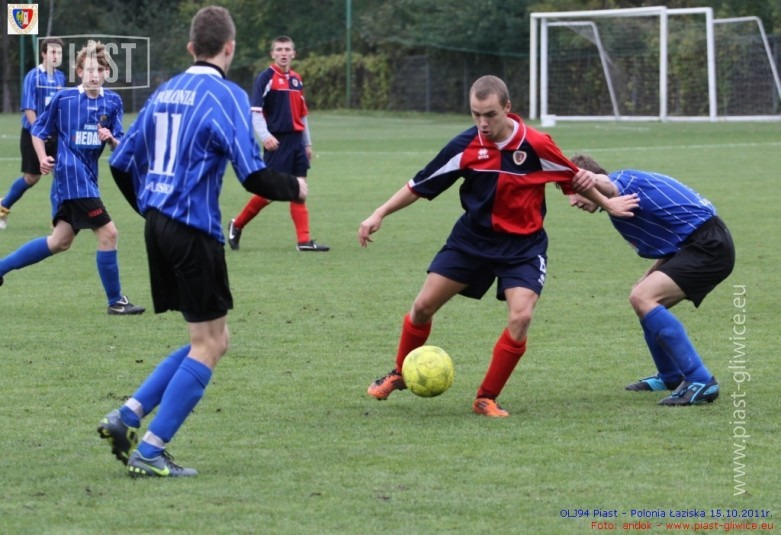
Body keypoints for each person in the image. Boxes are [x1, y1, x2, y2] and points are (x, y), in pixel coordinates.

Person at [98, 5, 307, 477]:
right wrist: (294, 186)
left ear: (192, 47)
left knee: (211, 339)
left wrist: (149, 209)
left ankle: (127, 416)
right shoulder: (227, 95)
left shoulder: (165, 90)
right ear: (230, 47)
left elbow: (121, 162)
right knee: (209, 344)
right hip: (192, 230)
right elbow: (251, 173)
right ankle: (150, 451)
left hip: (159, 226)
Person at [358, 75, 636, 417]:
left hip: (523, 247)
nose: (483, 123)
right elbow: (420, 184)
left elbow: (573, 177)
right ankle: (401, 372)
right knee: (422, 307)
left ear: (507, 108)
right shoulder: (465, 146)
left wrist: (607, 204)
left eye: (490, 114)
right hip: (472, 241)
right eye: (476, 114)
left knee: (521, 316)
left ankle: (485, 398)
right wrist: (380, 212)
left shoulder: (535, 144)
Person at [568, 154, 735, 406]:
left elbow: (607, 184)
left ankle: (700, 380)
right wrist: (649, 274)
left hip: (709, 245)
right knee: (642, 295)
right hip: (698, 243)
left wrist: (589, 179)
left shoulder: (622, 182)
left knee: (644, 297)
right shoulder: (619, 202)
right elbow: (674, 242)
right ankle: (670, 376)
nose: (572, 201)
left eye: (575, 191)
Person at [0, 41, 145, 316]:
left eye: (99, 70)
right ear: (79, 72)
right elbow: (38, 130)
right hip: (71, 178)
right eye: (89, 69)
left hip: (87, 179)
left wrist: (111, 139)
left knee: (59, 241)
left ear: (106, 73)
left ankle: (1, 267)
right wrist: (42, 158)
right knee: (109, 233)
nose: (94, 75)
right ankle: (116, 301)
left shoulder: (113, 101)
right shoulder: (64, 99)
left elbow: (121, 145)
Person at [227, 35, 328, 252]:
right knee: (269, 193)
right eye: (279, 49)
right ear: (272, 54)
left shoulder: (297, 79)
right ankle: (237, 224)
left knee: (300, 189)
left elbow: (302, 115)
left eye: (287, 49)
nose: (283, 53)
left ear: (294, 54)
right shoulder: (266, 78)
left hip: (296, 142)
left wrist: (307, 143)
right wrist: (265, 136)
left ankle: (304, 241)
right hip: (277, 143)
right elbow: (255, 112)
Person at [0, 37, 66, 229]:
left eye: (59, 53)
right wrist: (40, 132)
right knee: (31, 178)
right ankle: (3, 206)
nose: (56, 56)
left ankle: (57, 220)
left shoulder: (61, 77)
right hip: (33, 134)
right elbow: (28, 108)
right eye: (52, 52)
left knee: (60, 175)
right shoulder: (33, 76)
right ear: (43, 54)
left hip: (55, 135)